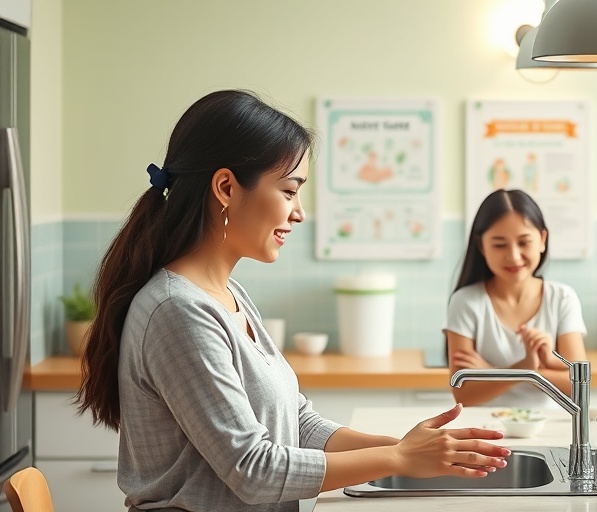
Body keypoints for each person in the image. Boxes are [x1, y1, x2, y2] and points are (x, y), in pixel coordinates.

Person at [75, 90, 509, 512]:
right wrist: (398, 460)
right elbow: (252, 469)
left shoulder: (228, 295)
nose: (299, 212)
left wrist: (408, 448)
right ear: (226, 187)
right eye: (288, 190)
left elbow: (297, 424)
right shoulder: (179, 311)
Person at [445, 189, 587, 408]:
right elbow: (464, 395)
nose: (513, 255)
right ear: (482, 246)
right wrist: (527, 368)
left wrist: (496, 373)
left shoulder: (562, 298)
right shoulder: (465, 302)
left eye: (524, 242)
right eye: (499, 244)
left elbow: (579, 386)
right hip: (484, 432)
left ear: (542, 239)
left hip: (547, 428)